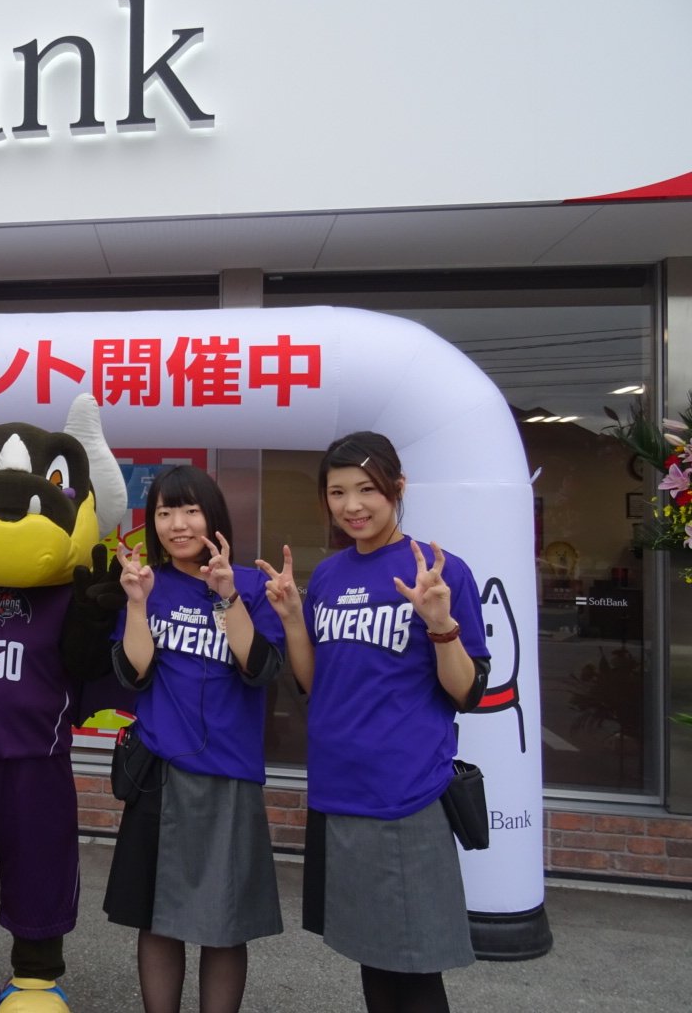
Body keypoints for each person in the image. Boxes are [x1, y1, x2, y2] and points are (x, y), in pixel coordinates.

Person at [255, 431, 491, 1013]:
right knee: (373, 956)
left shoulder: (438, 573)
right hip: (339, 788)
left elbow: (466, 691)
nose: (352, 505)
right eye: (337, 492)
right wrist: (292, 618)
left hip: (406, 790)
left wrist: (441, 624)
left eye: (367, 489)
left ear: (397, 488)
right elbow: (316, 683)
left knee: (415, 967)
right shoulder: (329, 575)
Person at [102, 465, 285, 1013]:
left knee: (225, 923)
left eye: (190, 510)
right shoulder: (147, 584)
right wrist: (137, 603)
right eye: (164, 512)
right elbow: (133, 673)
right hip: (160, 774)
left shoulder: (249, 586)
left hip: (229, 775)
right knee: (157, 920)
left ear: (213, 517)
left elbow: (259, 669)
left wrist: (227, 596)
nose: (177, 524)